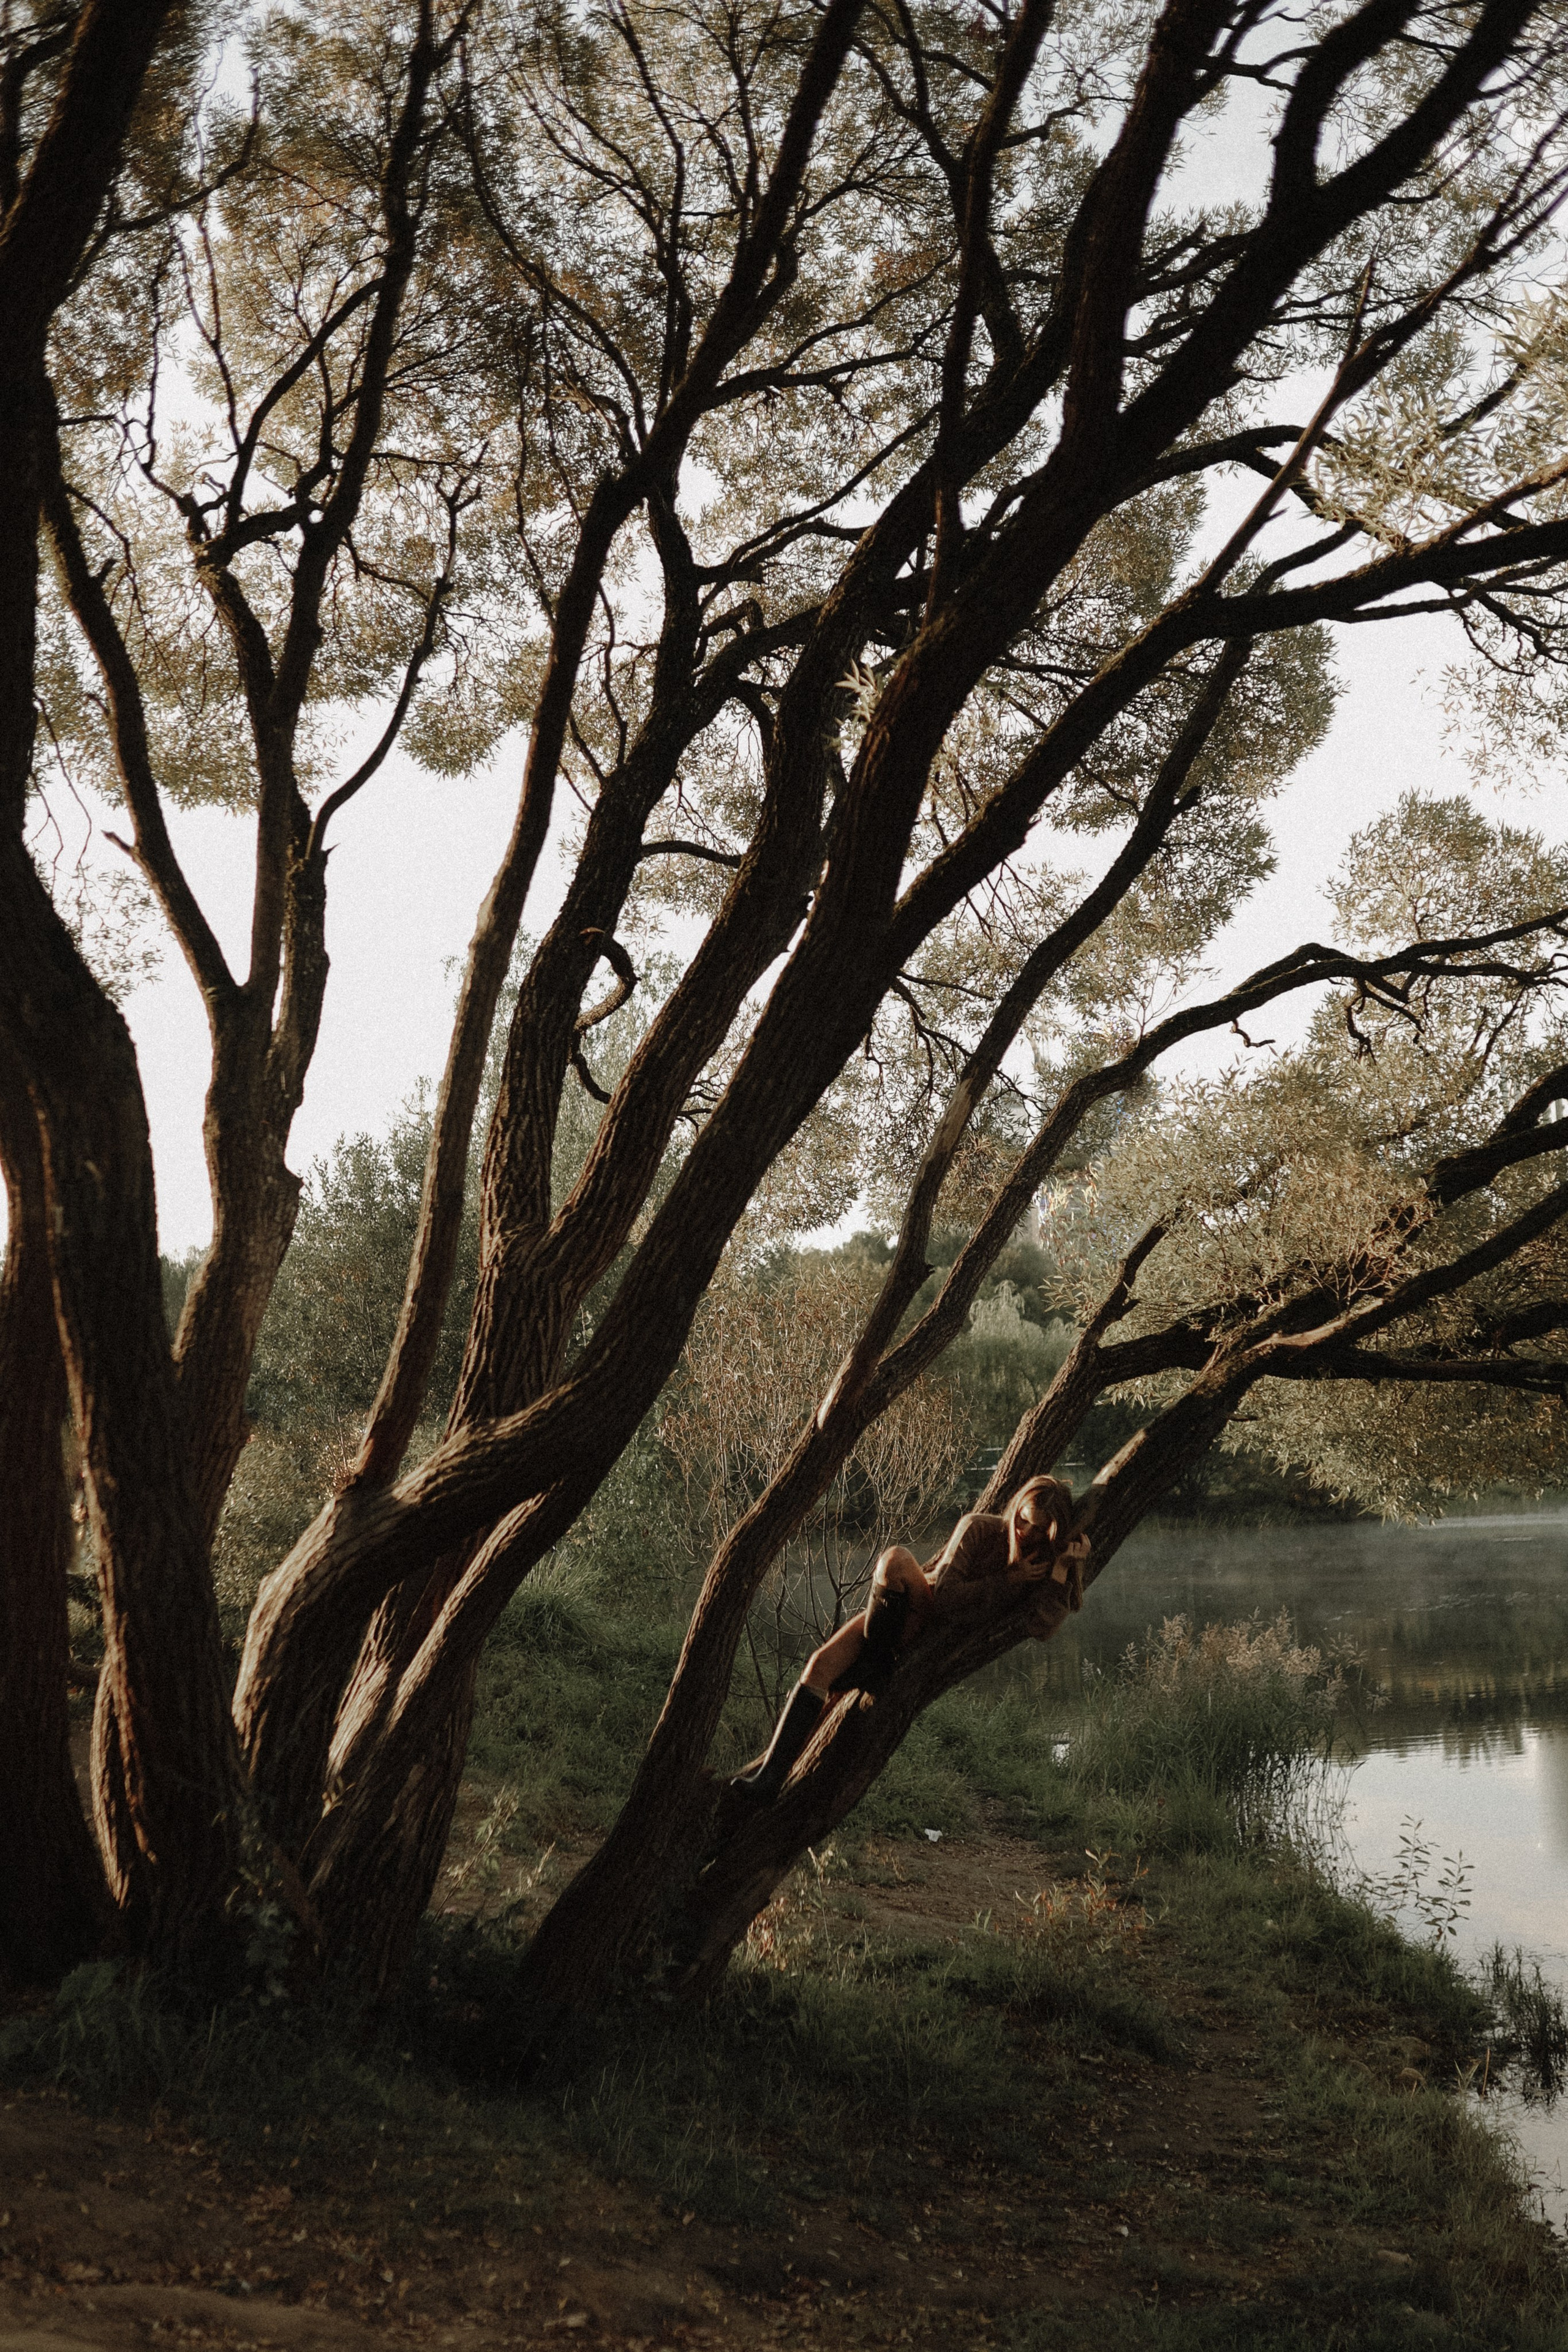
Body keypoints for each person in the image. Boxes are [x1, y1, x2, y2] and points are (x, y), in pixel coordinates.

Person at [729, 1475, 1091, 1804]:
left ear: (1053, 1532)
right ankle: (768, 1780)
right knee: (818, 1667)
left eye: (1038, 1528)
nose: (1026, 1530)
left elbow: (1042, 1628)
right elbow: (945, 1597)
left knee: (896, 1559)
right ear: (1015, 1507)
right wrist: (1007, 1581)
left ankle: (873, 1663)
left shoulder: (1045, 1563)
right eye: (1022, 1518)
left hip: (928, 1631)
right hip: (912, 1607)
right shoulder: (980, 1529)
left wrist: (1060, 1571)